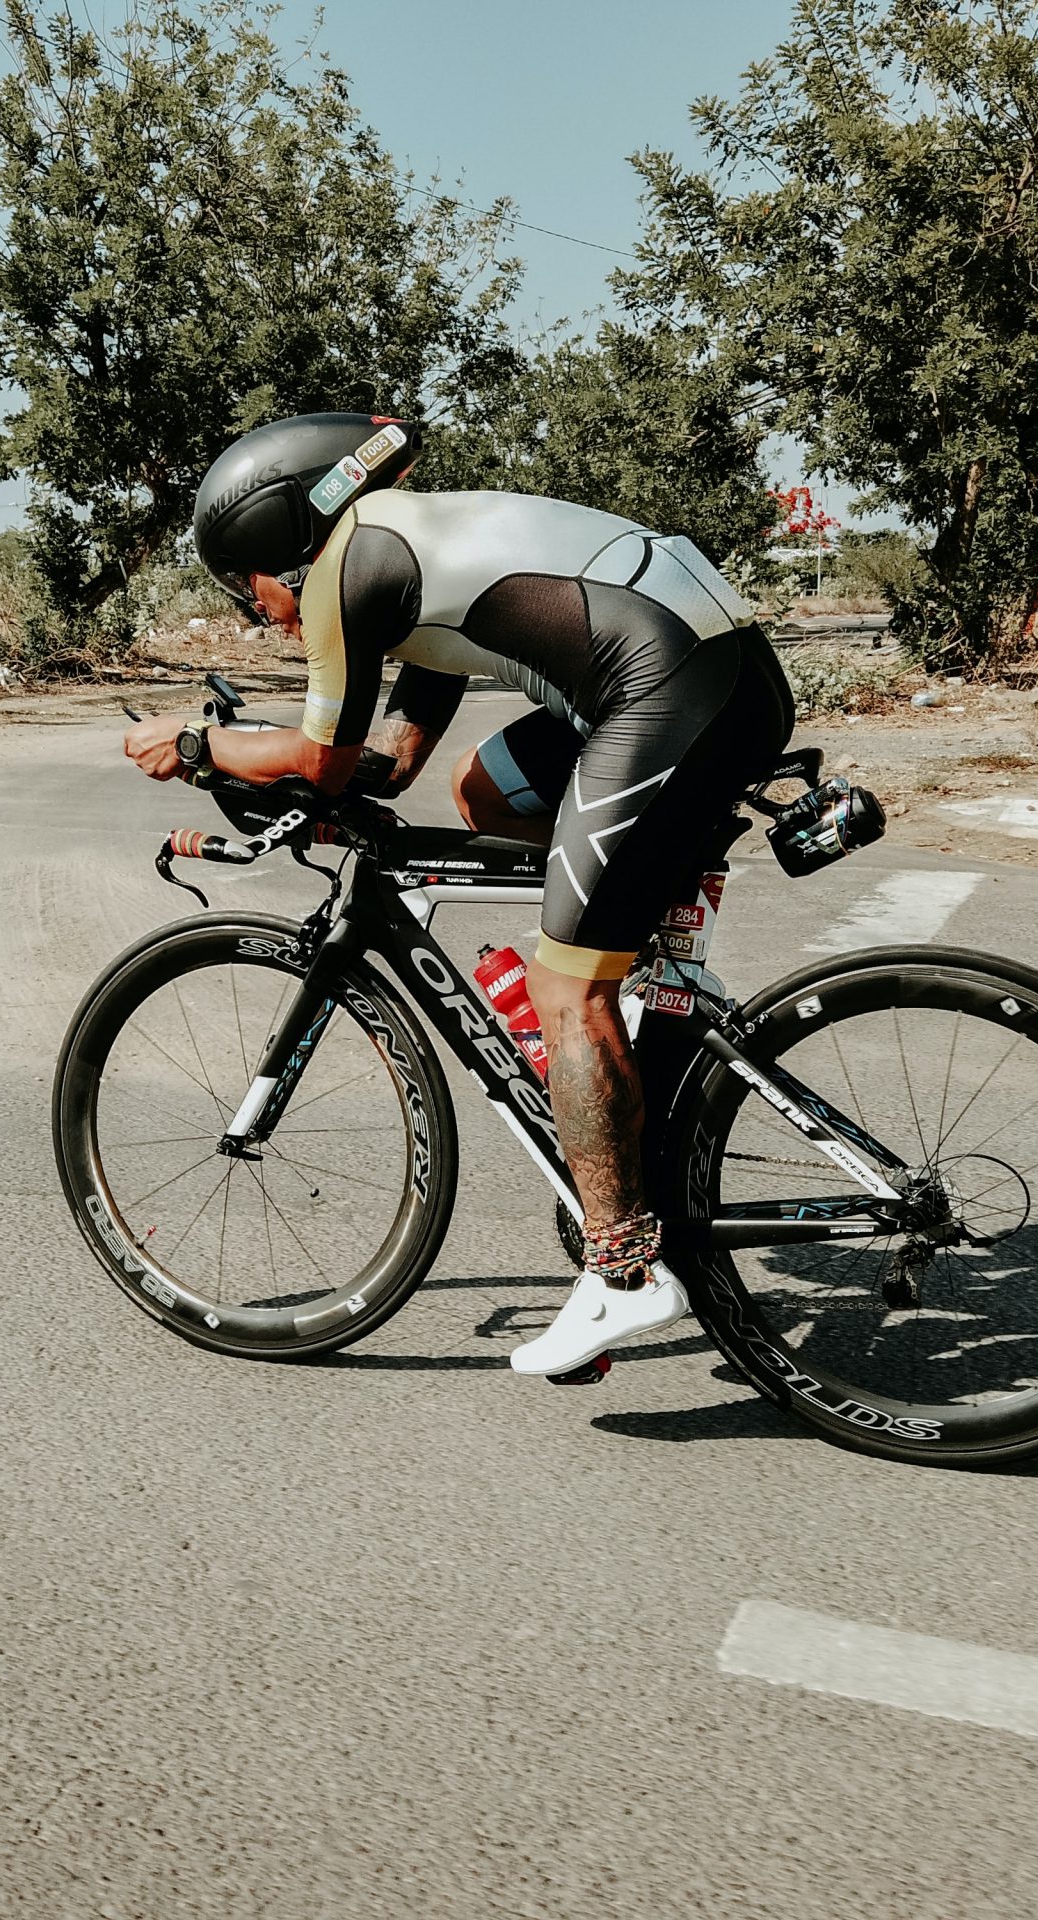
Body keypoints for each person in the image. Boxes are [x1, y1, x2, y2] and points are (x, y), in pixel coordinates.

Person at [122, 412, 794, 1377]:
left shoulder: (349, 569)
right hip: (710, 673)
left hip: (671, 690)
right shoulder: (407, 556)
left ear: (283, 541)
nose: (254, 612)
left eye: (245, 585)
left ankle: (622, 1274)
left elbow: (322, 758)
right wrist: (300, 788)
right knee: (485, 792)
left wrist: (199, 744)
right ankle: (649, 967)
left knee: (567, 988)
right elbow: (388, 766)